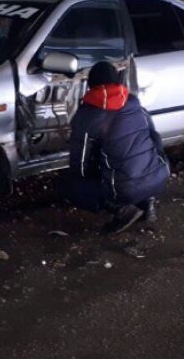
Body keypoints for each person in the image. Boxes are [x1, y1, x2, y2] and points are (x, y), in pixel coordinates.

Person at [59, 61, 169, 235]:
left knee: (68, 184)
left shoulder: (87, 114)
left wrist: (91, 176)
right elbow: (154, 136)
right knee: (136, 157)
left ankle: (122, 210)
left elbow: (80, 164)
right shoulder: (134, 102)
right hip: (159, 176)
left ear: (91, 85)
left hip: (124, 188)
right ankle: (147, 202)